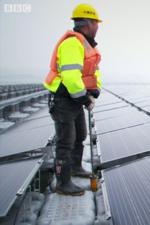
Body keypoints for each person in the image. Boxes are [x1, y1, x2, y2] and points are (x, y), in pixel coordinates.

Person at [43, 3, 102, 196]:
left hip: (74, 99)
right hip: (63, 101)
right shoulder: (71, 44)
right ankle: (63, 182)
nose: (98, 27)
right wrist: (85, 99)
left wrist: (95, 90)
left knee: (80, 135)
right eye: (96, 23)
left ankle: (75, 168)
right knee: (65, 142)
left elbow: (93, 72)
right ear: (88, 23)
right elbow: (70, 77)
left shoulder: (85, 45)